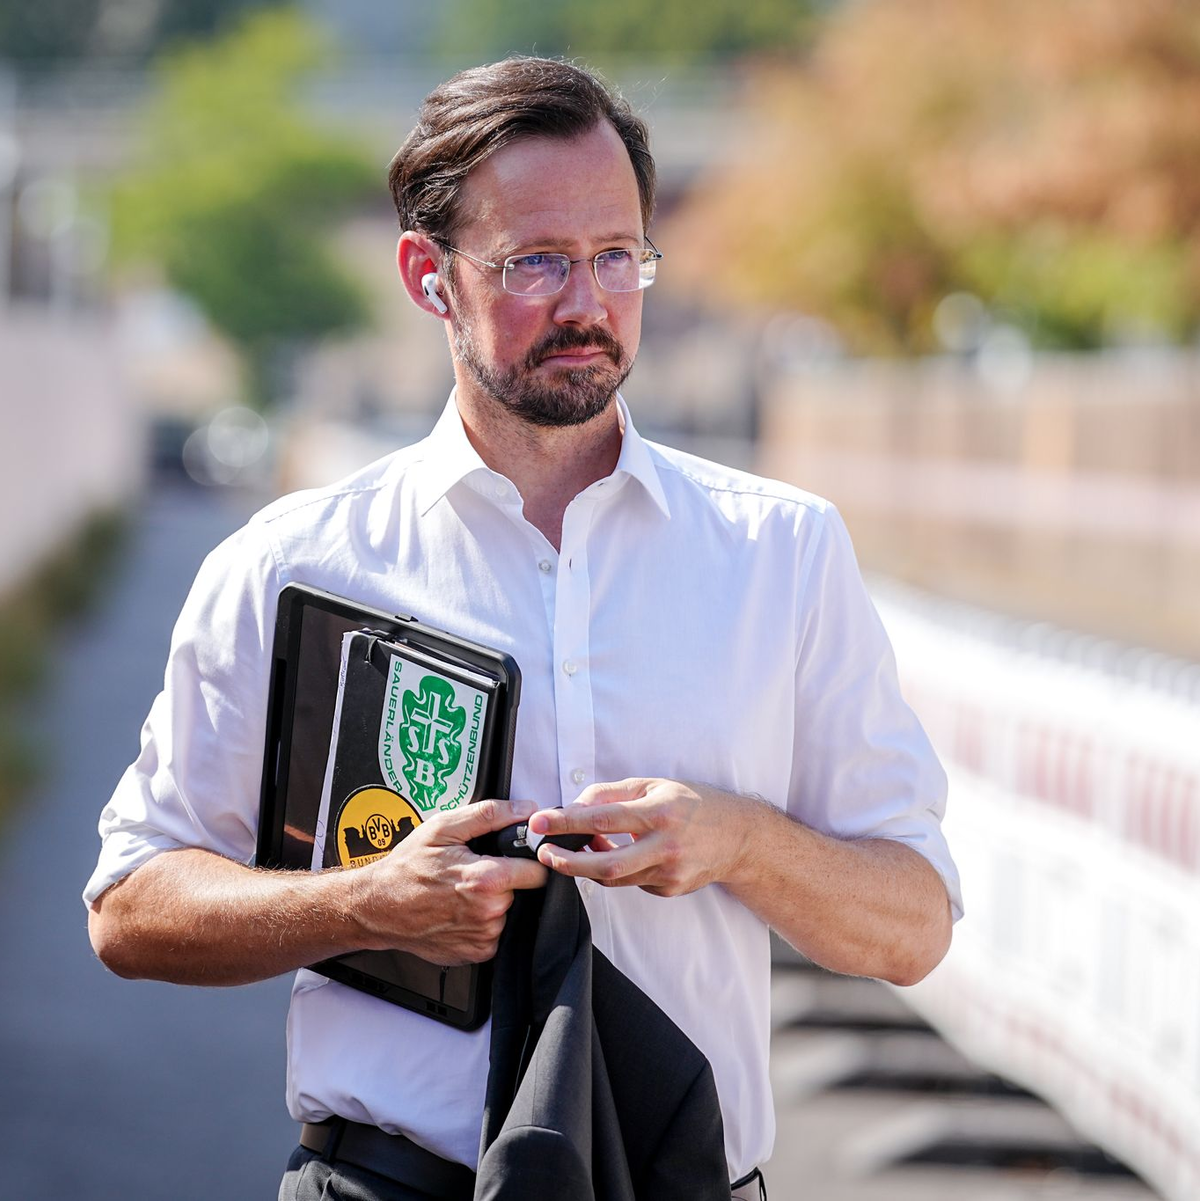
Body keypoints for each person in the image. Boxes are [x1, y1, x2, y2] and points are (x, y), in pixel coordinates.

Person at [85, 56, 962, 1200]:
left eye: (617, 257)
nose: (587, 303)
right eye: (535, 261)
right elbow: (131, 905)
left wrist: (740, 841)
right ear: (428, 275)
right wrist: (361, 899)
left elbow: (913, 925)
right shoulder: (291, 561)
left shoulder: (781, 553)